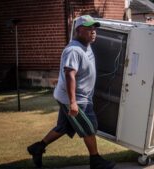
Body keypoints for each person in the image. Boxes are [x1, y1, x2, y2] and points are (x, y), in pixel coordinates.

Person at [27, 15, 116, 169]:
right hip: (76, 100)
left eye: (94, 29)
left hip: (75, 97)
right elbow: (70, 75)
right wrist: (73, 102)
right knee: (89, 127)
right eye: (89, 29)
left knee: (63, 127)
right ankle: (95, 161)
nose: (93, 32)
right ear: (79, 30)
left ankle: (38, 147)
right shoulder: (74, 50)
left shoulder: (85, 45)